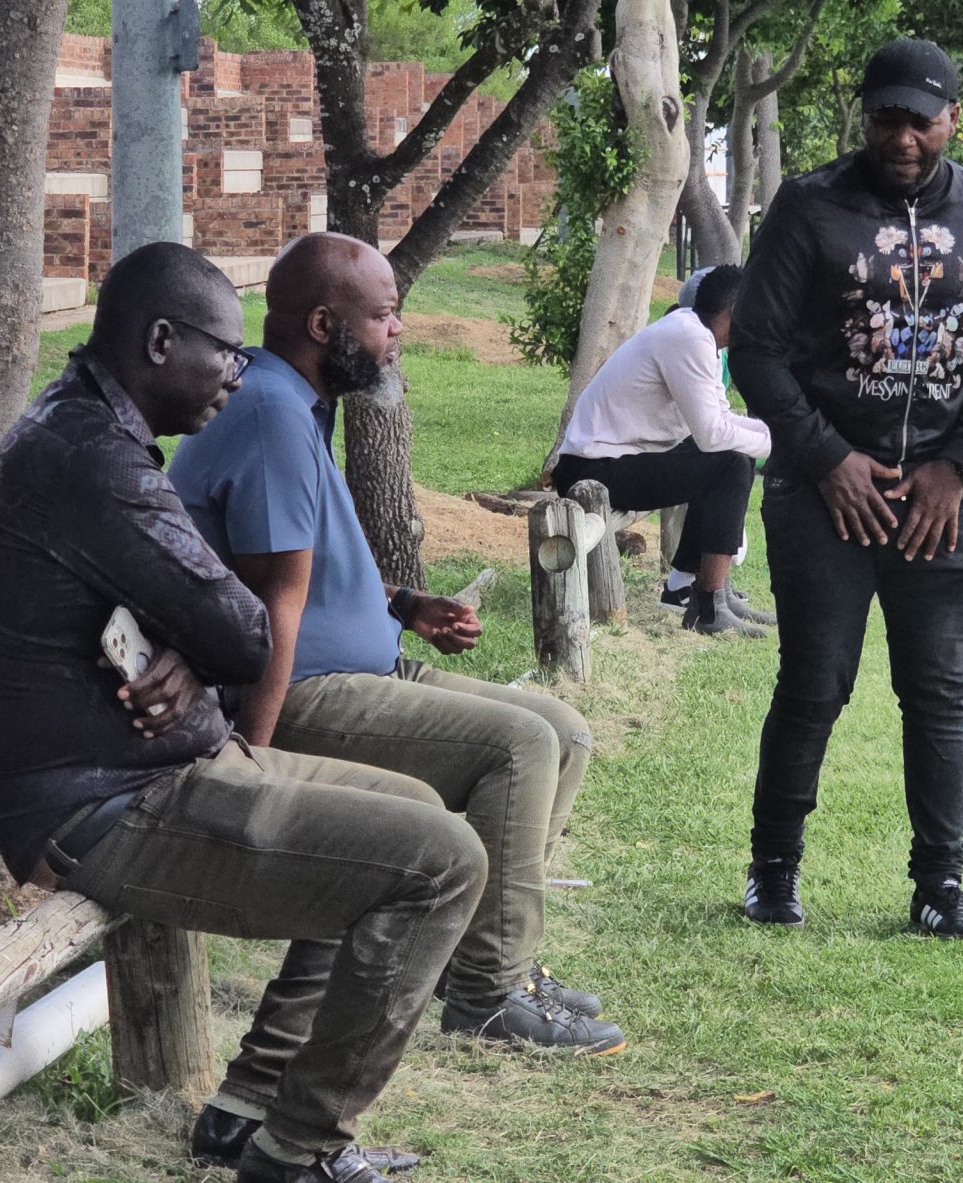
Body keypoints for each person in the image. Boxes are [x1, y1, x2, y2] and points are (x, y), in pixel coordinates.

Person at [0, 241, 473, 1183]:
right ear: (160, 342)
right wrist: (192, 635)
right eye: (223, 353)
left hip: (163, 772)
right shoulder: (96, 463)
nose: (235, 376)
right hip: (105, 807)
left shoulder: (87, 435)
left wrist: (181, 637)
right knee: (440, 864)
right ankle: (295, 1148)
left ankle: (255, 1111)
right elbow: (244, 632)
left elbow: (210, 622)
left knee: (419, 823)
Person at [170, 232, 624, 1067]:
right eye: (383, 315)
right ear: (322, 323)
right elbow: (276, 599)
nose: (398, 330)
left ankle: (480, 954)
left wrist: (405, 604)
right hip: (308, 688)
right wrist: (256, 764)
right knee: (520, 746)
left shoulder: (294, 401)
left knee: (563, 730)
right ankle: (486, 994)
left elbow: (300, 563)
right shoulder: (270, 413)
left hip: (366, 663)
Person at [731, 38, 963, 939]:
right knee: (815, 683)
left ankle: (939, 885)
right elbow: (755, 347)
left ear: (952, 119)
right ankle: (773, 871)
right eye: (884, 118)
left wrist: (956, 467)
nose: (901, 136)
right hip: (823, 491)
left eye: (919, 119)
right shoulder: (810, 207)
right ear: (862, 117)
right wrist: (827, 458)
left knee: (938, 690)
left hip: (937, 496)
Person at [551, 264, 774, 636]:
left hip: (618, 460)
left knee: (733, 457)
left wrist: (775, 433)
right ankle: (707, 606)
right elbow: (713, 434)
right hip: (593, 470)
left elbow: (720, 418)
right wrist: (782, 442)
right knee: (730, 463)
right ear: (736, 311)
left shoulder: (700, 335)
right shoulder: (688, 337)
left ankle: (692, 590)